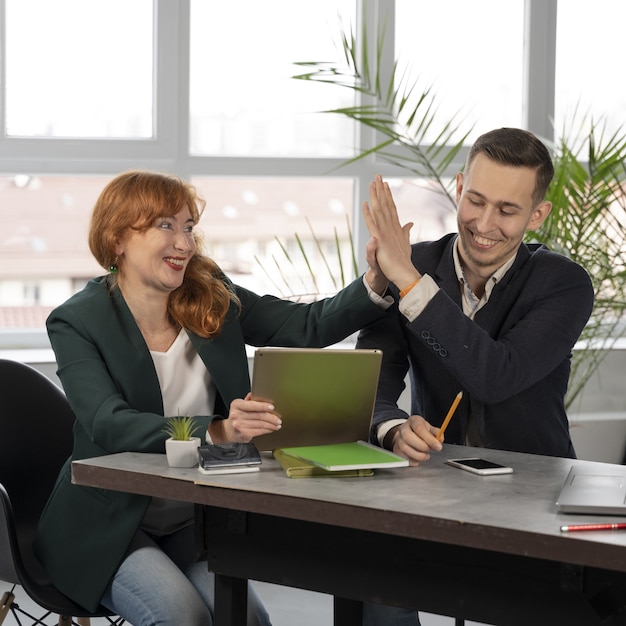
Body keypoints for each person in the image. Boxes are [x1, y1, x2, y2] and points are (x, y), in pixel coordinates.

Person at [34, 170, 396, 626]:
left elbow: (303, 326)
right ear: (117, 238)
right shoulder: (77, 320)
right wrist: (217, 430)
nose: (184, 243)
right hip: (108, 524)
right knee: (182, 617)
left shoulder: (209, 293)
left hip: (195, 519)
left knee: (250, 621)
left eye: (187, 227)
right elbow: (108, 422)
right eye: (165, 225)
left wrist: (377, 279)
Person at [357, 128, 594, 626]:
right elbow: (370, 384)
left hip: (538, 495)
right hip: (431, 487)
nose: (485, 224)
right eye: (476, 200)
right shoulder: (414, 263)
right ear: (460, 186)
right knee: (370, 585)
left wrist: (410, 284)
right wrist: (393, 426)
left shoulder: (564, 284)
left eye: (507, 210)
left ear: (537, 215)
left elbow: (495, 374)